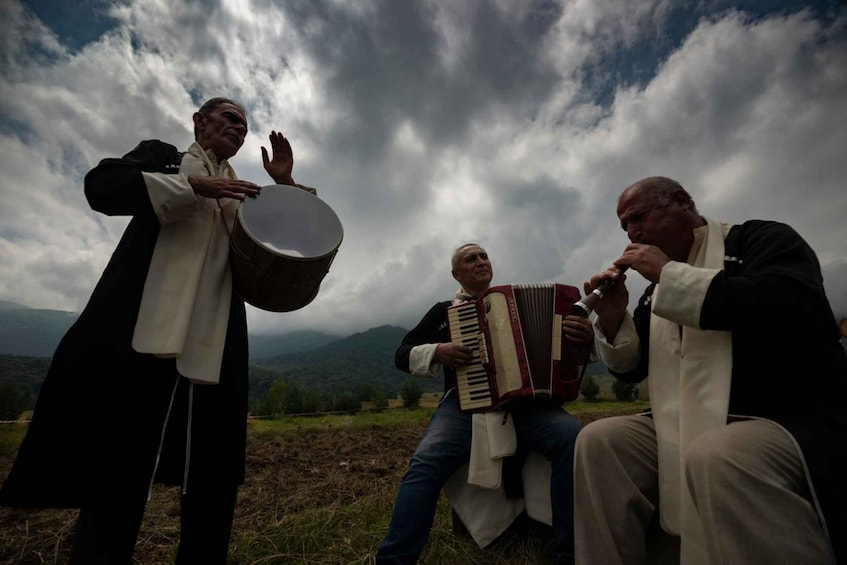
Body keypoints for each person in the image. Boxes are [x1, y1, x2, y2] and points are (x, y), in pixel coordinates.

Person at [0, 97, 317, 564]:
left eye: (244, 126)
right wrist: (191, 186)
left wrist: (285, 185)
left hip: (216, 346)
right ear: (199, 121)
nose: (239, 129)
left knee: (213, 479)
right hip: (138, 340)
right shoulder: (164, 157)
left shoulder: (247, 194)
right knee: (118, 472)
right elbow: (101, 186)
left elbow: (294, 241)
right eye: (229, 118)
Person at [573, 176, 847, 565]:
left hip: (785, 414)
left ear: (683, 203)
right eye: (625, 226)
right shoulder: (653, 291)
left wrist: (670, 275)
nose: (632, 232)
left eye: (639, 217)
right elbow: (633, 371)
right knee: (601, 439)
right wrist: (615, 317)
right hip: (680, 419)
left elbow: (794, 305)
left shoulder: (760, 240)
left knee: (719, 451)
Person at [376, 243, 593, 564]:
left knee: (571, 436)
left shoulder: (516, 302)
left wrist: (584, 337)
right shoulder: (443, 311)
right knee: (427, 461)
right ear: (456, 274)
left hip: (527, 402)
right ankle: (395, 559)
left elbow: (568, 351)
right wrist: (438, 351)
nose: (480, 262)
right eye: (470, 258)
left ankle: (568, 553)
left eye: (484, 256)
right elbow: (401, 353)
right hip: (466, 402)